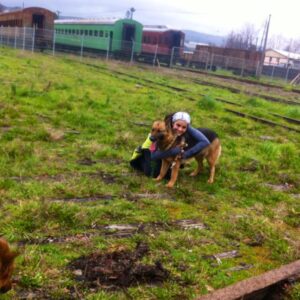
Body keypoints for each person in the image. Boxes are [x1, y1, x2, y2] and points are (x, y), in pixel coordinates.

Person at [130, 112, 210, 178]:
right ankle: (139, 158)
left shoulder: (185, 126)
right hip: (150, 151)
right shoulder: (161, 130)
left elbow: (205, 141)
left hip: (164, 153)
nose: (180, 129)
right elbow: (154, 155)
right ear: (172, 123)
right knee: (151, 173)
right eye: (178, 125)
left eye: (183, 127)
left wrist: (186, 154)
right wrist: (175, 151)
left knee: (168, 174)